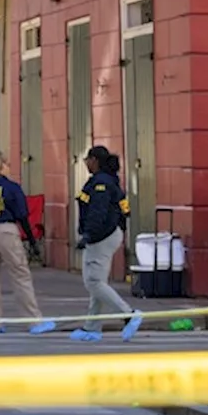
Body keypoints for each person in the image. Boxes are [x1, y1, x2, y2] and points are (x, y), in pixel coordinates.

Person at [0, 148, 55, 336]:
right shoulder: (11, 187)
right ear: (2, 165)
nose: (9, 168)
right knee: (20, 275)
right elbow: (23, 215)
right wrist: (31, 241)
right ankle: (33, 320)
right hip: (6, 230)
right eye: (8, 164)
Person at [73, 146, 141, 342]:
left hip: (101, 237)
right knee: (98, 283)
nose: (86, 163)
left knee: (93, 282)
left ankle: (128, 314)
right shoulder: (108, 181)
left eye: (88, 159)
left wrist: (88, 235)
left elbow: (98, 212)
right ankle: (92, 327)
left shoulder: (100, 184)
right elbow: (123, 210)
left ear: (95, 160)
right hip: (107, 235)